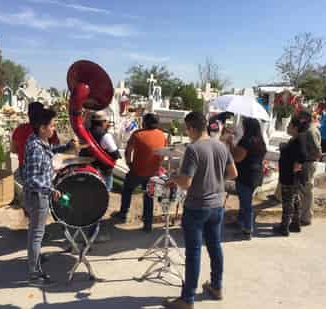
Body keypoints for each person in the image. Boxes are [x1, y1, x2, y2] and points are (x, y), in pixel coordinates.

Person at [163, 112, 237, 309]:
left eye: (187, 129)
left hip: (196, 207)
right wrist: (214, 180)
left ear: (192, 128)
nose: (187, 133)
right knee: (215, 247)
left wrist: (173, 179)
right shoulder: (221, 145)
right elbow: (233, 173)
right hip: (217, 205)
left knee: (194, 253)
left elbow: (186, 182)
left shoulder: (193, 149)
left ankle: (187, 299)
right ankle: (216, 286)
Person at [23, 108, 78, 286]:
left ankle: (35, 261)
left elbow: (51, 150)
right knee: (36, 235)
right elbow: (31, 179)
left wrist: (66, 147)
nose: (54, 129)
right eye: (52, 126)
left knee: (37, 233)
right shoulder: (35, 149)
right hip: (38, 196)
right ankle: (34, 275)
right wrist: (50, 190)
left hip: (40, 195)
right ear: (42, 128)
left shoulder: (38, 141)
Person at [111, 113, 167, 232]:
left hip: (138, 171)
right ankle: (148, 225)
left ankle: (123, 213)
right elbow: (163, 154)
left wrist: (129, 164)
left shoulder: (137, 134)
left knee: (127, 189)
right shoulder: (162, 135)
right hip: (153, 172)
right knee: (149, 196)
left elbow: (128, 152)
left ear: (145, 122)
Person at [226, 117, 267, 240]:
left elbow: (237, 157)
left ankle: (247, 230)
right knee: (244, 200)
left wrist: (230, 144)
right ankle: (240, 221)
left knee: (246, 203)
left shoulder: (246, 142)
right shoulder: (260, 141)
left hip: (246, 175)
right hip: (255, 175)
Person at [273, 116, 308, 236]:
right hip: (291, 176)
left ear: (295, 128)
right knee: (295, 200)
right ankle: (295, 224)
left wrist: (297, 165)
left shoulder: (299, 140)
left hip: (290, 177)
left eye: (289, 126)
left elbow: (302, 156)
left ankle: (284, 227)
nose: (288, 128)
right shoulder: (297, 139)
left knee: (288, 202)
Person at [81, 110, 121, 191]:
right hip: (103, 171)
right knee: (102, 197)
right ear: (103, 122)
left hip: (88, 168)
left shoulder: (85, 133)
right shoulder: (106, 136)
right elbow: (115, 154)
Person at [297, 110, 322, 226]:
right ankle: (303, 215)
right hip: (306, 162)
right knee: (304, 191)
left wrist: (307, 157)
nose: (299, 120)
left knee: (307, 191)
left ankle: (306, 217)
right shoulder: (307, 129)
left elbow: (317, 151)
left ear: (306, 118)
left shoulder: (311, 130)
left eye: (301, 117)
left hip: (308, 163)